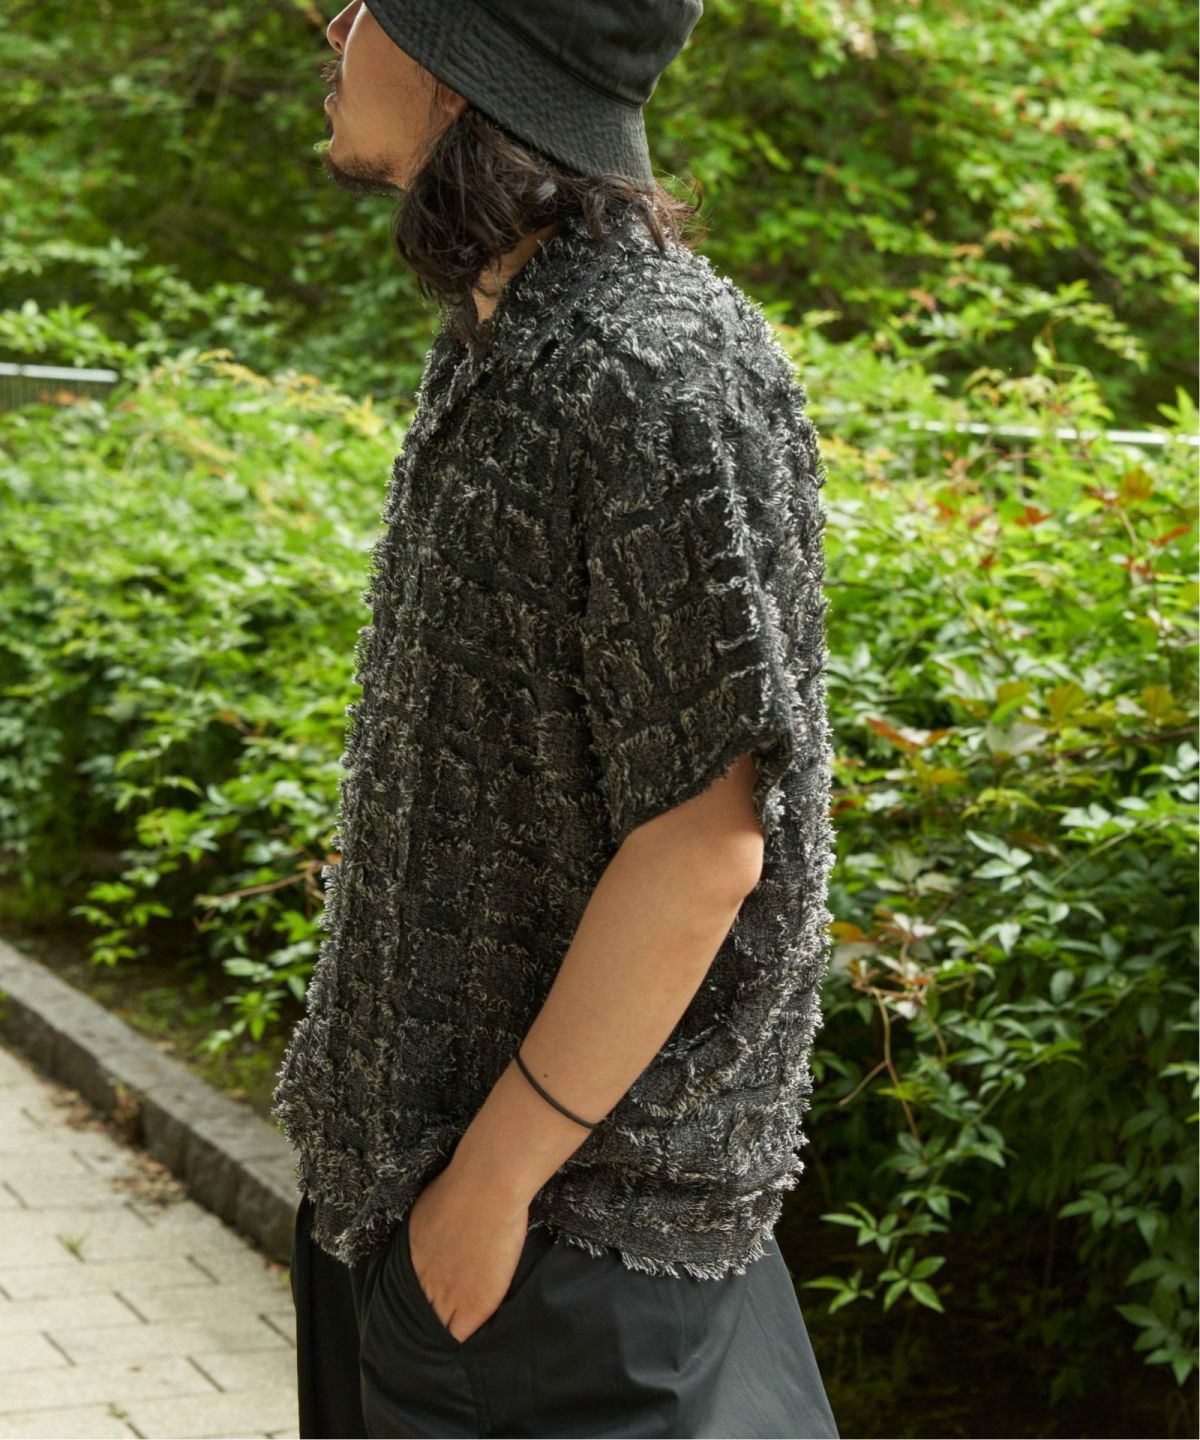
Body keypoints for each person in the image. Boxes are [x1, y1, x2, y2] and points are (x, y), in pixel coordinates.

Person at [271, 2, 840, 1436]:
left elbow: (706, 845)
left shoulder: (657, 367)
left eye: (371, 4)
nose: (334, 26)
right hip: (424, 1220)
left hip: (563, 1262)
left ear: (468, 64)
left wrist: (492, 1188)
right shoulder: (508, 335)